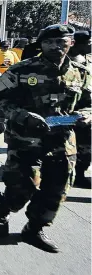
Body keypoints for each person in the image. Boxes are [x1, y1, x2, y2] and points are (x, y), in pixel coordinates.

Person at [0, 24, 91, 252]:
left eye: (61, 42)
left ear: (71, 43)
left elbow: (89, 104)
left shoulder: (81, 73)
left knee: (57, 189)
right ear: (41, 45)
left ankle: (34, 229)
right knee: (21, 188)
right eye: (49, 42)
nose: (55, 46)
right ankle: (3, 207)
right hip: (25, 140)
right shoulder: (21, 71)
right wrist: (22, 116)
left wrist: (85, 115)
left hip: (63, 142)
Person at [68, 30, 92, 188]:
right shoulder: (66, 60)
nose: (91, 46)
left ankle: (79, 173)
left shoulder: (87, 60)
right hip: (65, 113)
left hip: (84, 111)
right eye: (89, 43)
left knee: (85, 145)